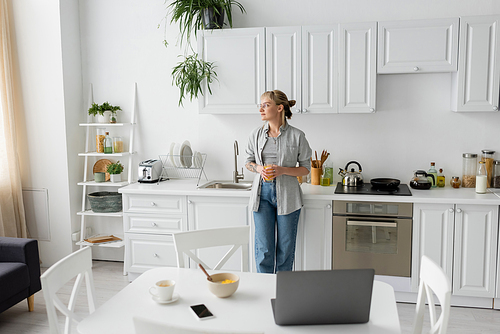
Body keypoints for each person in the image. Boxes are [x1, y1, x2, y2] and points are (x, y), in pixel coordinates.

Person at [245, 90, 312, 274]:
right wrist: (259, 168)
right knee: (264, 250)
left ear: (279, 108)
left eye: (265, 105)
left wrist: (282, 170)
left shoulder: (297, 136)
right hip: (262, 195)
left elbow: (306, 168)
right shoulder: (256, 134)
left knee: (285, 250)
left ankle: (283, 293)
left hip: (288, 196)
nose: (261, 109)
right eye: (260, 105)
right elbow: (248, 162)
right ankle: (264, 292)